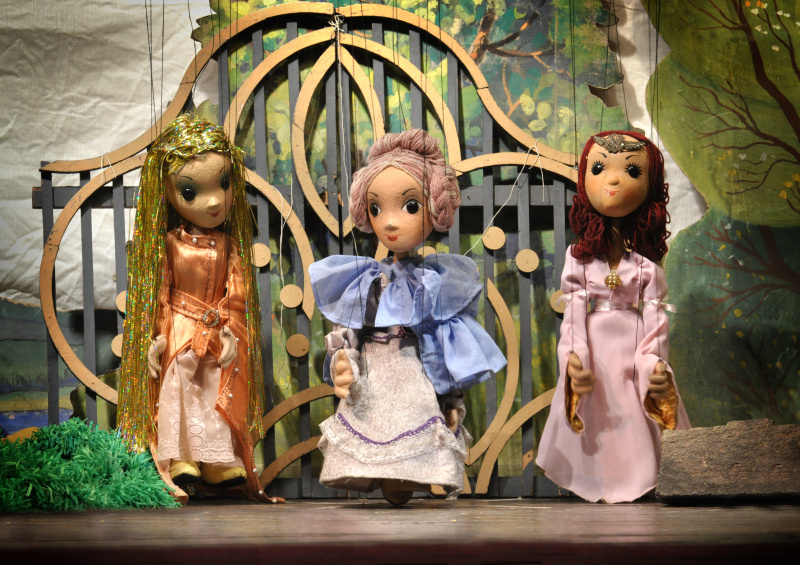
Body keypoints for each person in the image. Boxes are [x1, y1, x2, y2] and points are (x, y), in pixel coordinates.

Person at [309, 129, 506, 504]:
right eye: (376, 208)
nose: (390, 222)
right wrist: (343, 359)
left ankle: (409, 477)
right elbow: (346, 328)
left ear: (435, 209)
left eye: (410, 206)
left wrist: (452, 400)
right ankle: (392, 480)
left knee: (414, 427)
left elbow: (448, 344)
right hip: (373, 374)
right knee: (371, 428)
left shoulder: (434, 282)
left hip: (414, 374)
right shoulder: (367, 279)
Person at [117, 114, 281, 504]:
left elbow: (236, 295)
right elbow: (160, 294)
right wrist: (155, 339)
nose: (215, 200)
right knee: (179, 388)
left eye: (223, 184)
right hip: (179, 328)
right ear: (168, 192)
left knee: (214, 390)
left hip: (216, 330)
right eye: (191, 191)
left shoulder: (231, 246)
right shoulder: (169, 244)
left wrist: (231, 333)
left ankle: (218, 461)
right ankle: (182, 458)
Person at [536, 131, 690, 503]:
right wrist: (573, 357)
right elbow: (573, 316)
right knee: (595, 405)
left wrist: (654, 362)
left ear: (650, 184)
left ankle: (637, 476)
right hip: (593, 344)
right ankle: (595, 477)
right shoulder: (580, 257)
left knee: (632, 408)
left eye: (632, 171)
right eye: (600, 168)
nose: (614, 180)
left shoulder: (646, 265)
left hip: (632, 346)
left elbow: (655, 324)